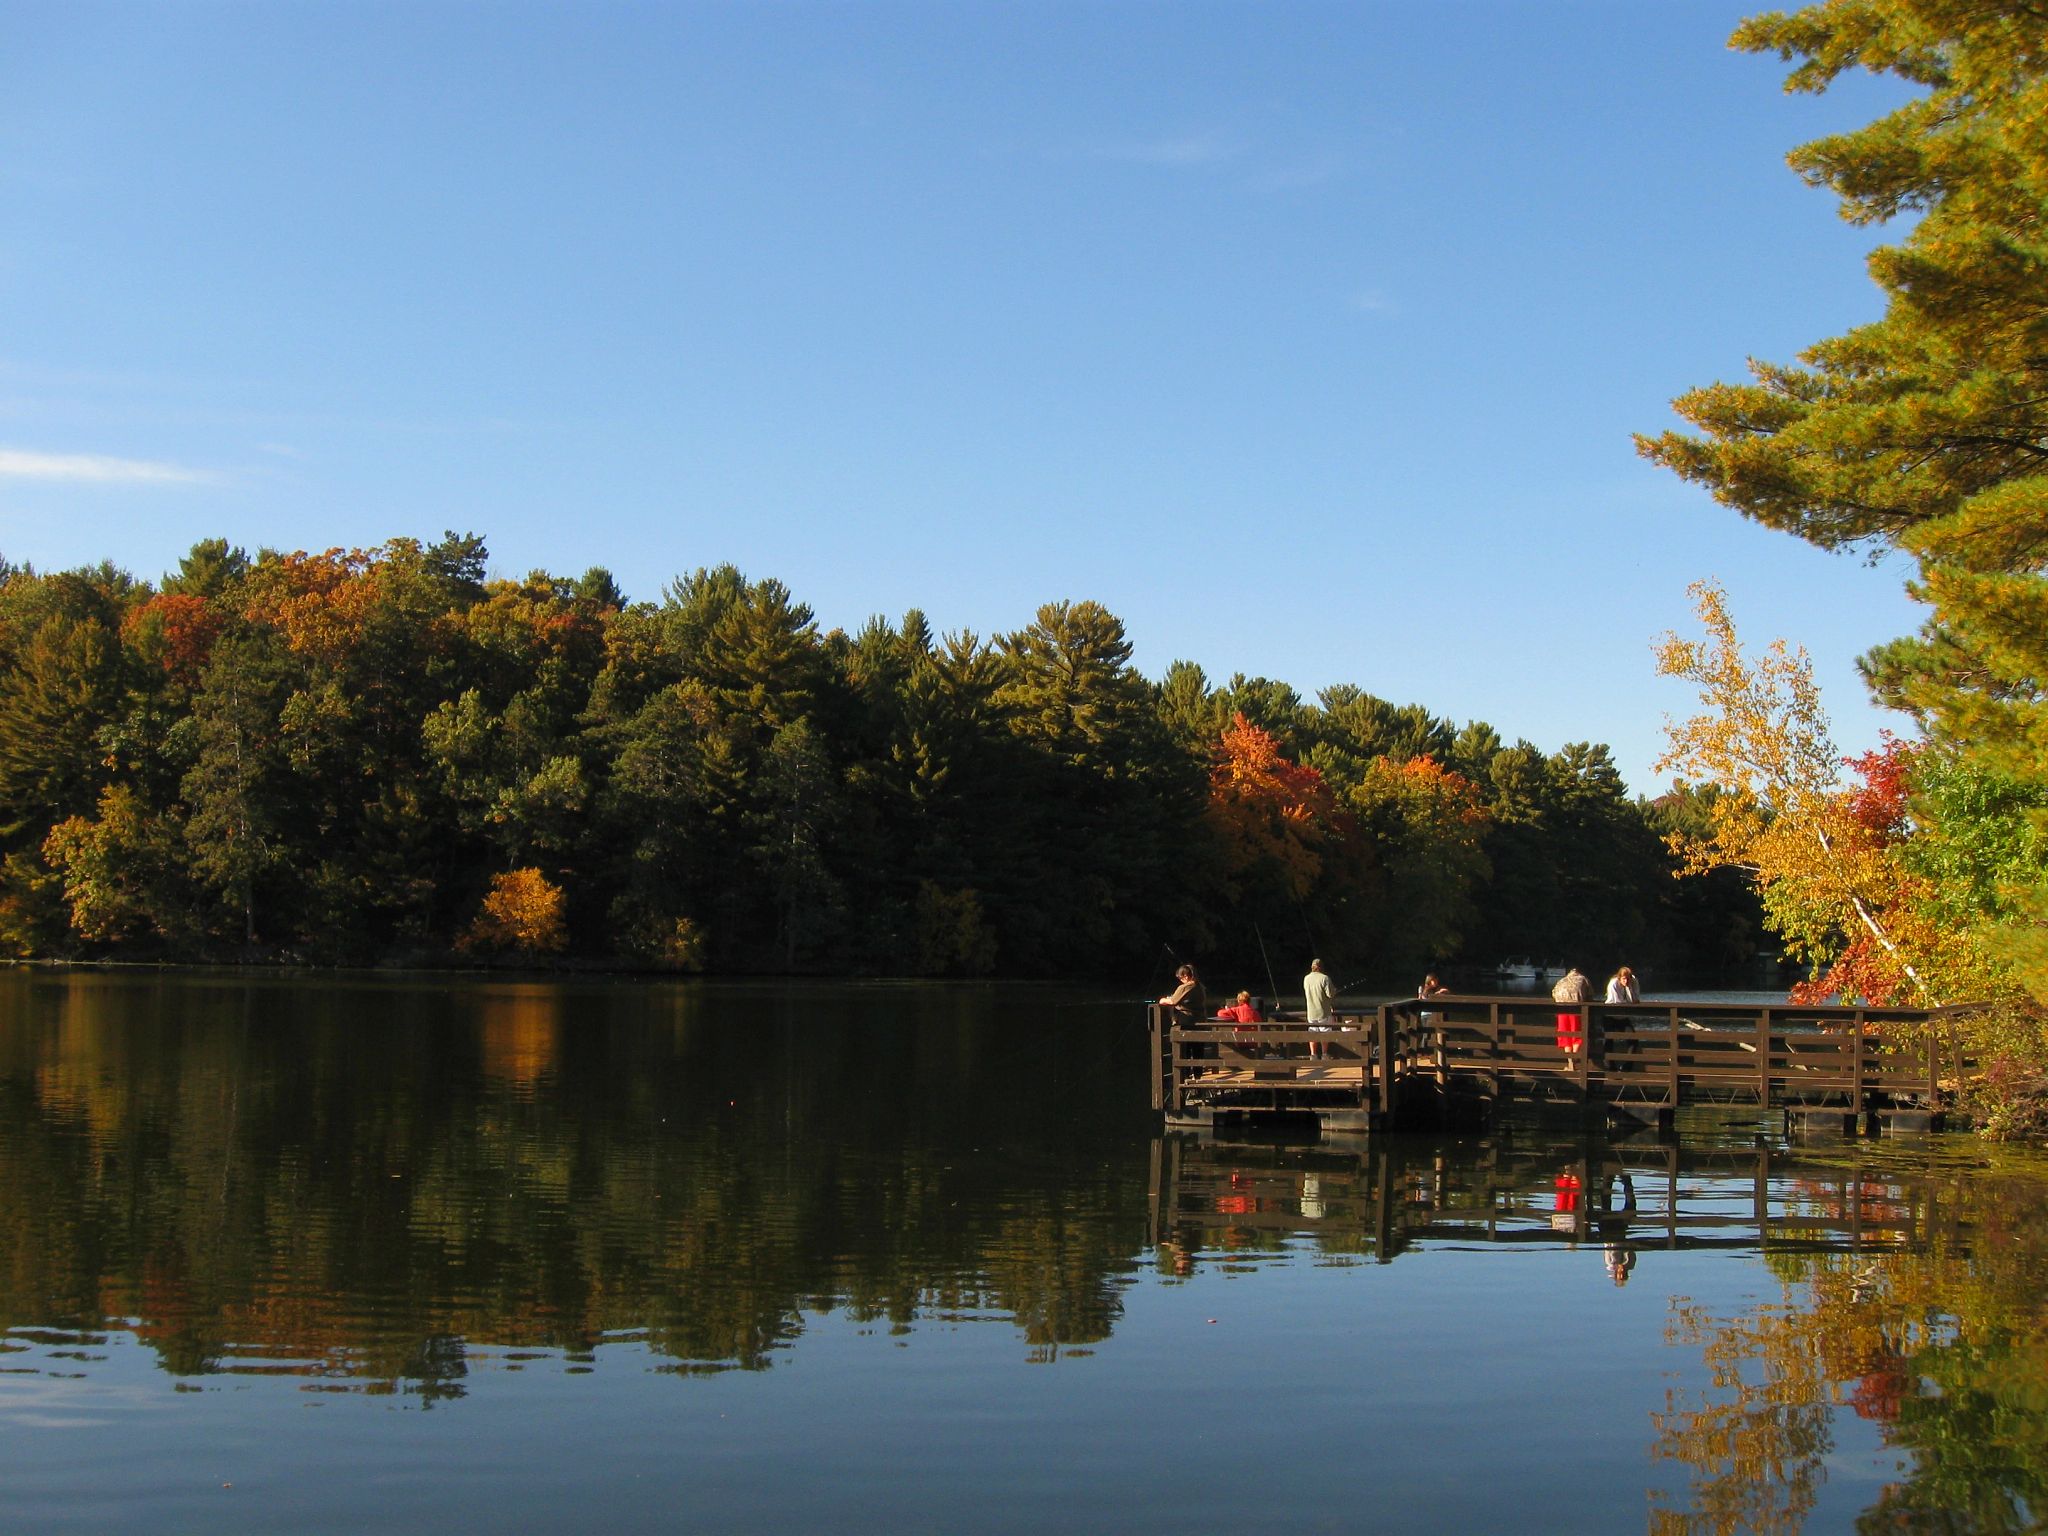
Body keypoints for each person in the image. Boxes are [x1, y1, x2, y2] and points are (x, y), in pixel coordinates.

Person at [1552, 965, 1592, 1054]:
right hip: (1576, 1009)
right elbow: (1590, 995)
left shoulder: (1561, 980)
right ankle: (1574, 1058)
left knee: (1565, 1037)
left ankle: (1570, 1062)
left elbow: (1554, 993)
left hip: (1561, 1009)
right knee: (1577, 1036)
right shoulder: (1583, 979)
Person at [1302, 958, 1336, 1060]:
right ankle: (1324, 1054)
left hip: (1311, 1012)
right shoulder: (1325, 978)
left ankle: (1313, 1054)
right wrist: (1334, 991)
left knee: (1312, 1031)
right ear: (1321, 967)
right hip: (1323, 1012)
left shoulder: (1306, 978)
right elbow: (1329, 994)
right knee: (1324, 1032)